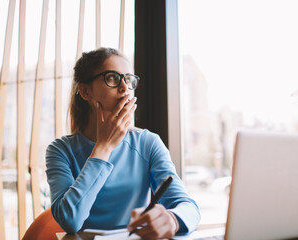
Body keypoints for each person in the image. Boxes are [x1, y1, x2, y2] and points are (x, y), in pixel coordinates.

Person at [45, 47, 200, 239]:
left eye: (128, 79)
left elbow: (189, 207)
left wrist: (173, 219)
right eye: (112, 78)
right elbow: (69, 220)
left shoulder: (147, 143)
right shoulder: (60, 150)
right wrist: (104, 147)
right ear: (85, 91)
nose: (125, 88)